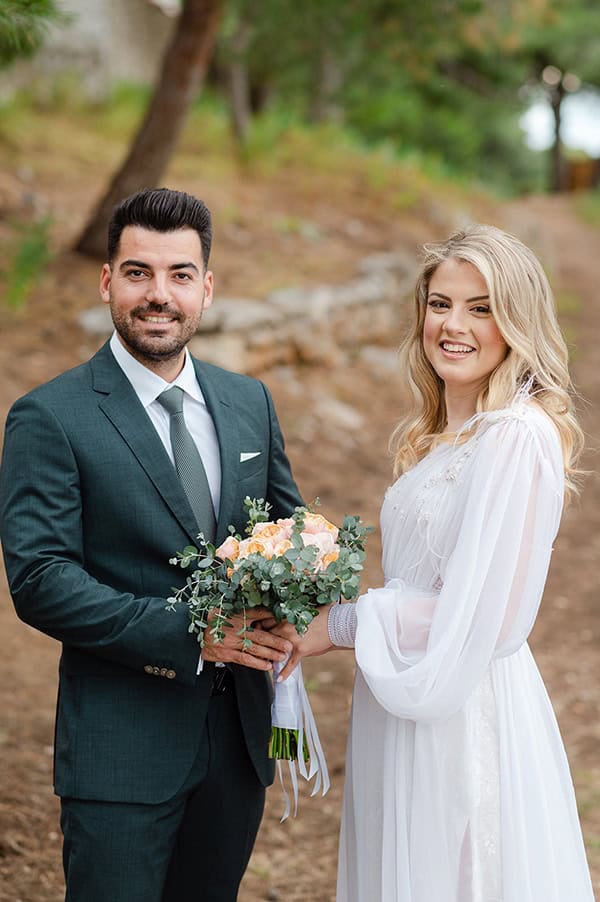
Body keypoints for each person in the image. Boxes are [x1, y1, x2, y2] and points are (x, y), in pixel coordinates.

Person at [271, 224, 595, 900]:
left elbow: (484, 615)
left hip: (462, 705)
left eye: (481, 308)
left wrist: (343, 623)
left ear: (517, 321)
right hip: (408, 691)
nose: (454, 325)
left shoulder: (514, 436)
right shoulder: (451, 436)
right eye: (441, 303)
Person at [0, 187, 303, 902]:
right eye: (138, 273)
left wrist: (303, 591)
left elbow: (289, 529)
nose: (158, 294)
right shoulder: (50, 417)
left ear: (207, 288)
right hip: (121, 753)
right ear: (107, 281)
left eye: (179, 274)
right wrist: (195, 631)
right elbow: (40, 579)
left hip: (238, 743)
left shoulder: (248, 401)